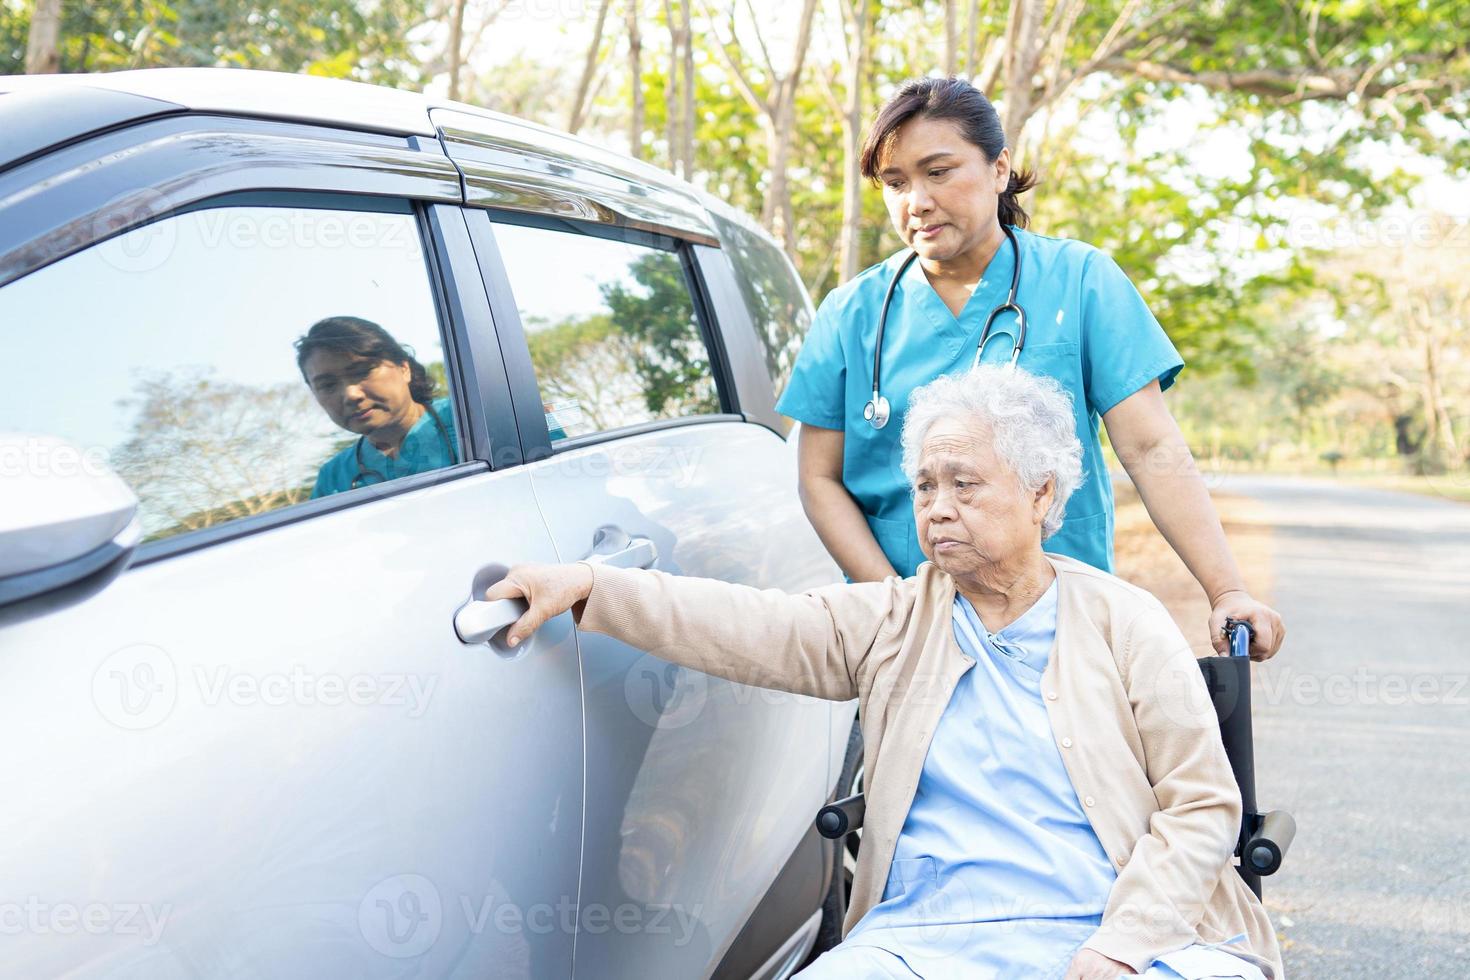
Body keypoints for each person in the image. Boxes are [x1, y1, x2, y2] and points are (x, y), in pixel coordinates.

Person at [485, 366, 1282, 980]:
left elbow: (1203, 806)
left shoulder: (1124, 620)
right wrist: (596, 587)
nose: (935, 508)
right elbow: (749, 625)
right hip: (927, 939)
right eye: (925, 485)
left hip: (1116, 930)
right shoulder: (895, 618)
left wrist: (1122, 946)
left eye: (964, 484)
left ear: (1042, 494)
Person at [775, 76, 1284, 660]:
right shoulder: (850, 314)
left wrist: (1227, 589)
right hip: (905, 639)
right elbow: (818, 477)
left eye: (937, 172)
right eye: (895, 183)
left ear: (999, 169)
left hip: (1060, 628)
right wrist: (899, 606)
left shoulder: (1082, 281)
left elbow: (1150, 449)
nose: (915, 201)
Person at [294, 316, 457, 497]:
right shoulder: (333, 480)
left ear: (404, 368)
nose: (351, 395)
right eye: (328, 385)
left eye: (362, 372)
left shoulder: (472, 419)